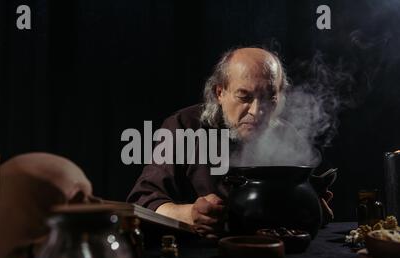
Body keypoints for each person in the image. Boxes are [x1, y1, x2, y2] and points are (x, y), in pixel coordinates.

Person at [127, 47, 333, 239]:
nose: (257, 111)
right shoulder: (183, 127)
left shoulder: (286, 134)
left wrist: (309, 205)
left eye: (269, 97)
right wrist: (189, 214)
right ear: (220, 93)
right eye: (244, 97)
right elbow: (142, 201)